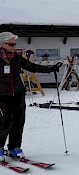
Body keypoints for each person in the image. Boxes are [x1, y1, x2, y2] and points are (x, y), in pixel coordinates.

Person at [0, 32, 62, 161]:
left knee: (19, 121)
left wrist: (50, 69)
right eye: (11, 44)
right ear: (2, 44)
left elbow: (32, 67)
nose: (13, 47)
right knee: (4, 122)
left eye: (15, 44)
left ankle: (14, 147)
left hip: (18, 94)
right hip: (3, 96)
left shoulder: (16, 57)